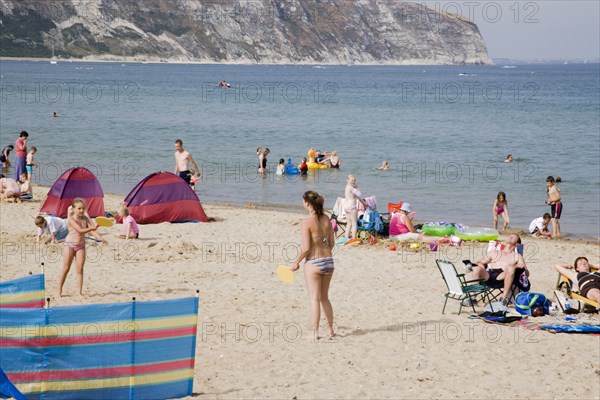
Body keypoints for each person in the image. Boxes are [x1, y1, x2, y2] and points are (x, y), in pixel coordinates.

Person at [291, 191, 335, 340]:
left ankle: (314, 332)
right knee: (325, 298)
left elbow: (306, 248)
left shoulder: (306, 222)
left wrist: (296, 262)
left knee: (314, 299)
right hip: (329, 261)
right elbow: (332, 243)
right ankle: (330, 331)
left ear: (307, 203)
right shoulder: (326, 219)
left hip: (314, 263)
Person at [58, 198, 107, 297]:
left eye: (83, 208)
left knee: (80, 269)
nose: (81, 210)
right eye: (79, 208)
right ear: (74, 209)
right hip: (69, 245)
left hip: (81, 246)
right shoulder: (71, 219)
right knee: (66, 268)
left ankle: (79, 292)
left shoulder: (85, 218)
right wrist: (91, 228)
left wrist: (101, 239)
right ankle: (59, 289)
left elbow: (92, 231)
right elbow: (80, 230)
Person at [471, 233, 528, 305]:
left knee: (510, 268)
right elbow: (480, 262)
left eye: (513, 237)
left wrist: (515, 266)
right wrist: (481, 267)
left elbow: (525, 270)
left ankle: (503, 298)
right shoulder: (494, 252)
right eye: (510, 235)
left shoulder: (517, 256)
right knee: (477, 268)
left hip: (503, 277)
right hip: (489, 276)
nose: (510, 236)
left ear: (517, 244)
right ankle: (473, 298)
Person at [343, 175, 367, 239]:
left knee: (349, 224)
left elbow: (357, 197)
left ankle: (346, 238)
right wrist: (356, 188)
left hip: (346, 207)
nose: (353, 182)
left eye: (354, 180)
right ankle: (353, 238)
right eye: (352, 180)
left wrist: (364, 203)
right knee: (354, 224)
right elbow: (359, 194)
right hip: (352, 207)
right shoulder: (351, 188)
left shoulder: (347, 187)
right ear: (347, 180)